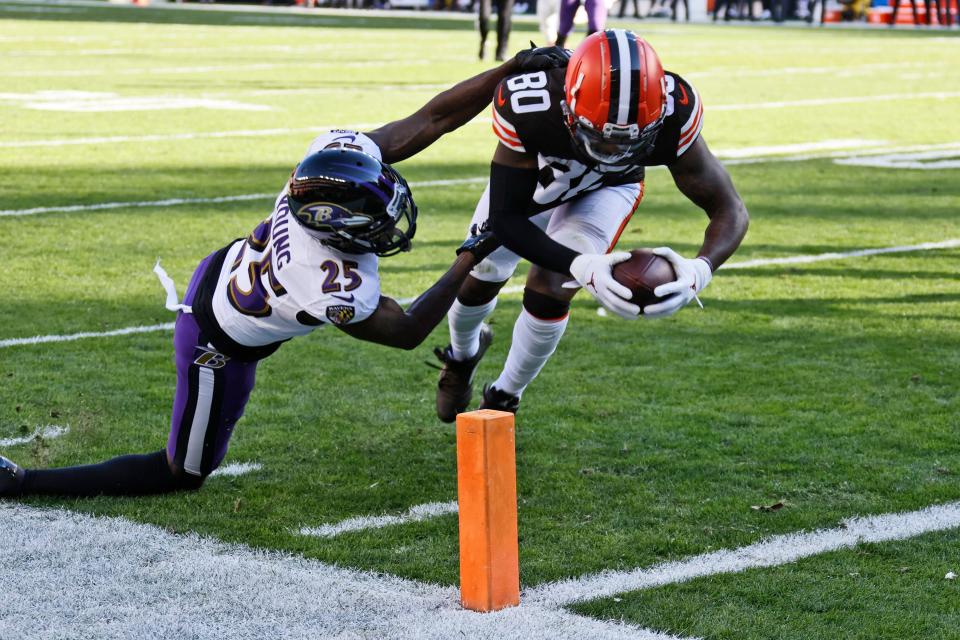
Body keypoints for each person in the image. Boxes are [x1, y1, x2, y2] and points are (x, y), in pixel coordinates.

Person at [0, 47, 570, 499]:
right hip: (217, 342)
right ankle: (21, 482)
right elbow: (406, 331)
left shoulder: (322, 168)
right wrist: (472, 252)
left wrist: (510, 71)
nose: (390, 221)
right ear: (338, 235)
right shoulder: (328, 282)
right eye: (374, 220)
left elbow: (432, 118)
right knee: (183, 473)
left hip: (227, 268)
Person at [433, 29, 749, 422]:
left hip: (609, 189)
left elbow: (729, 209)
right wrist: (582, 265)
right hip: (540, 176)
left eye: (628, 143)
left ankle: (504, 395)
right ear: (568, 103)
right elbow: (506, 219)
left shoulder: (674, 111)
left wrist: (701, 269)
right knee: (482, 272)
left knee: (551, 286)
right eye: (600, 138)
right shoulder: (533, 102)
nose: (612, 151)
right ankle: (462, 356)